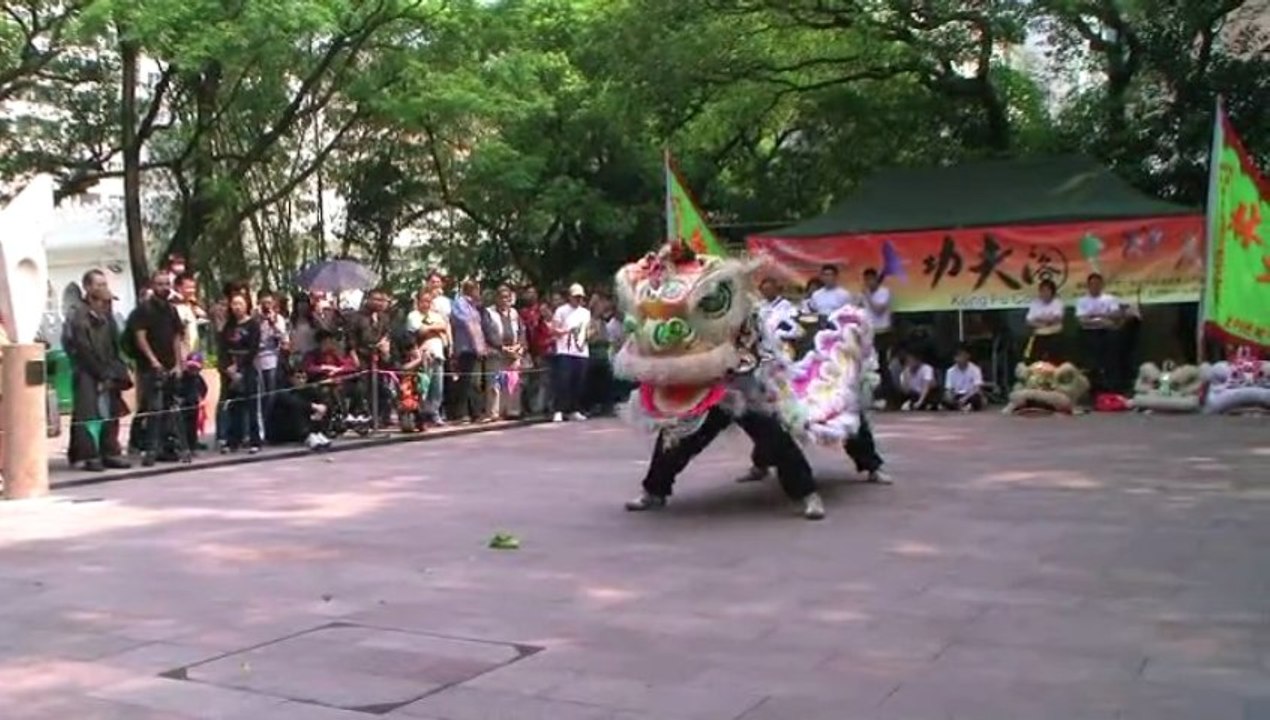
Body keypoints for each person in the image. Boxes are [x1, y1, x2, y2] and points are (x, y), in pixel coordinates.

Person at [63, 269, 132, 472]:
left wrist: (115, 371)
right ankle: (88, 455)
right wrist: (100, 373)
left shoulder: (107, 314)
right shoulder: (78, 314)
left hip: (108, 368)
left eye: (104, 284)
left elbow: (114, 343)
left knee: (110, 411)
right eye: (98, 285)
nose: (103, 288)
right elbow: (81, 347)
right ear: (88, 287)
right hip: (87, 371)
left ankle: (110, 452)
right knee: (89, 414)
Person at [131, 270, 186, 466]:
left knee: (169, 409)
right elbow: (140, 337)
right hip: (150, 368)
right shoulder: (144, 310)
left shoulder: (171, 310)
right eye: (160, 284)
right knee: (153, 408)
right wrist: (153, 361)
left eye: (166, 284)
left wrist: (179, 364)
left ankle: (167, 448)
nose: (164, 288)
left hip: (170, 366)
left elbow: (177, 338)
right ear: (153, 286)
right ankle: (150, 450)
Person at [218, 293, 262, 453]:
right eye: (234, 304)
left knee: (251, 405)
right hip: (230, 368)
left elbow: (253, 348)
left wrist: (240, 367)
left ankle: (254, 440)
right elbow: (222, 349)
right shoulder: (228, 326)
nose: (237, 307)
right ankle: (232, 441)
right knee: (234, 406)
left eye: (240, 304)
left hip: (247, 367)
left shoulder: (253, 325)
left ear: (246, 305)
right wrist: (228, 368)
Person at [348, 287, 393, 425]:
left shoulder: (384, 317)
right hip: (362, 356)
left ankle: (381, 417)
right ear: (368, 299)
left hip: (379, 357)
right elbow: (350, 339)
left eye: (382, 300)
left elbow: (387, 334)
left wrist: (384, 345)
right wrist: (354, 356)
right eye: (376, 299)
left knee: (382, 388)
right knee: (363, 388)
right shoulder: (357, 317)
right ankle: (362, 416)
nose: (380, 303)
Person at [1075, 273, 1124, 394]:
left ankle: (1112, 387)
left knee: (1111, 358)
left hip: (1107, 333)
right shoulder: (1082, 301)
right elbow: (1082, 321)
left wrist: (1096, 315)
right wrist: (1103, 320)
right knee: (1092, 361)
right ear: (1088, 286)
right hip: (1089, 334)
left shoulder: (1109, 299)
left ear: (1102, 285)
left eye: (1097, 284)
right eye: (1092, 284)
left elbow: (1116, 315)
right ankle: (1093, 389)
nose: (1095, 286)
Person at [406, 287, 449, 426]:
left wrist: (430, 328)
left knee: (438, 388)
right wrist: (434, 329)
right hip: (423, 355)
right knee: (423, 386)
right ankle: (422, 414)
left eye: (429, 301)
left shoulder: (436, 315)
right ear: (418, 301)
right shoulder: (413, 315)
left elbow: (444, 326)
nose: (426, 304)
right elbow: (419, 331)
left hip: (438, 355)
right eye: (424, 301)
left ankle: (434, 413)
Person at [483, 284, 525, 420]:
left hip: (513, 352)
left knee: (513, 383)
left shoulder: (514, 313)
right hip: (497, 353)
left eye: (507, 297)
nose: (505, 300)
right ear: (496, 298)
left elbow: (521, 330)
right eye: (502, 297)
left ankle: (512, 411)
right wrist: (502, 348)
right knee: (496, 384)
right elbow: (489, 333)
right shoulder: (489, 312)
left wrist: (519, 345)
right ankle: (495, 413)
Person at [551, 283, 591, 422]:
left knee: (578, 382)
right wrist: (566, 331)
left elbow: (588, 329)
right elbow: (554, 329)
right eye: (575, 297)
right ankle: (559, 410)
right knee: (563, 382)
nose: (578, 299)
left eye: (580, 297)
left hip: (581, 351)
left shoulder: (586, 312)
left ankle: (574, 409)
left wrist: (588, 335)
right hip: (565, 350)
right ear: (570, 297)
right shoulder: (561, 311)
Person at [267, 363, 332, 450]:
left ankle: (317, 433)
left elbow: (320, 400)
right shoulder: (284, 390)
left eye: (303, 378)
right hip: (282, 430)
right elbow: (295, 403)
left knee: (322, 407)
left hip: (302, 426)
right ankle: (307, 436)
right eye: (298, 377)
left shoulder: (307, 389)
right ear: (291, 378)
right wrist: (313, 406)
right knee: (297, 409)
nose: (301, 381)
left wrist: (321, 409)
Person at [449, 280, 488, 423]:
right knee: (465, 380)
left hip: (475, 348)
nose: (479, 293)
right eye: (477, 290)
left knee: (475, 381)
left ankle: (476, 412)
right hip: (466, 347)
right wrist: (478, 345)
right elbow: (468, 324)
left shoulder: (474, 306)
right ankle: (462, 413)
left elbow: (479, 326)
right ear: (471, 290)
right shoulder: (460, 303)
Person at [861, 268, 896, 408]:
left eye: (871, 279)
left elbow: (879, 309)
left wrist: (868, 296)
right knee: (869, 366)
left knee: (883, 365)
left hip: (883, 333)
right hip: (869, 333)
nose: (869, 282)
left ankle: (890, 399)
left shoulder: (884, 292)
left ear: (876, 279)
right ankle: (873, 398)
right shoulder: (863, 294)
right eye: (866, 280)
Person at [255, 290, 289, 435]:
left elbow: (283, 338)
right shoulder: (254, 319)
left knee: (272, 393)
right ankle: (260, 427)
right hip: (257, 359)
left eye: (269, 303)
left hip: (273, 359)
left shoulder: (278, 318)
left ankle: (270, 426)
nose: (266, 306)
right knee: (260, 395)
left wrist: (272, 322)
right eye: (263, 303)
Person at [1025, 279, 1065, 363]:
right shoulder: (1035, 303)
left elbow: (1057, 318)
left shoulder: (1057, 303)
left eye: (1047, 290)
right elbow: (1029, 321)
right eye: (1042, 291)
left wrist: (1039, 320)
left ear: (1052, 292)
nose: (1045, 293)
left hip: (1054, 335)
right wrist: (1046, 322)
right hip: (1039, 335)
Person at [943, 345, 985, 411]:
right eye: (957, 356)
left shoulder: (975, 369)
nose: (959, 359)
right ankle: (962, 407)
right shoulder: (950, 371)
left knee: (976, 398)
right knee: (946, 399)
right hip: (957, 395)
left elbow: (977, 388)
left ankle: (964, 406)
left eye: (962, 356)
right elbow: (948, 388)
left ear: (968, 356)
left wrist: (965, 398)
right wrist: (949, 395)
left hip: (970, 395)